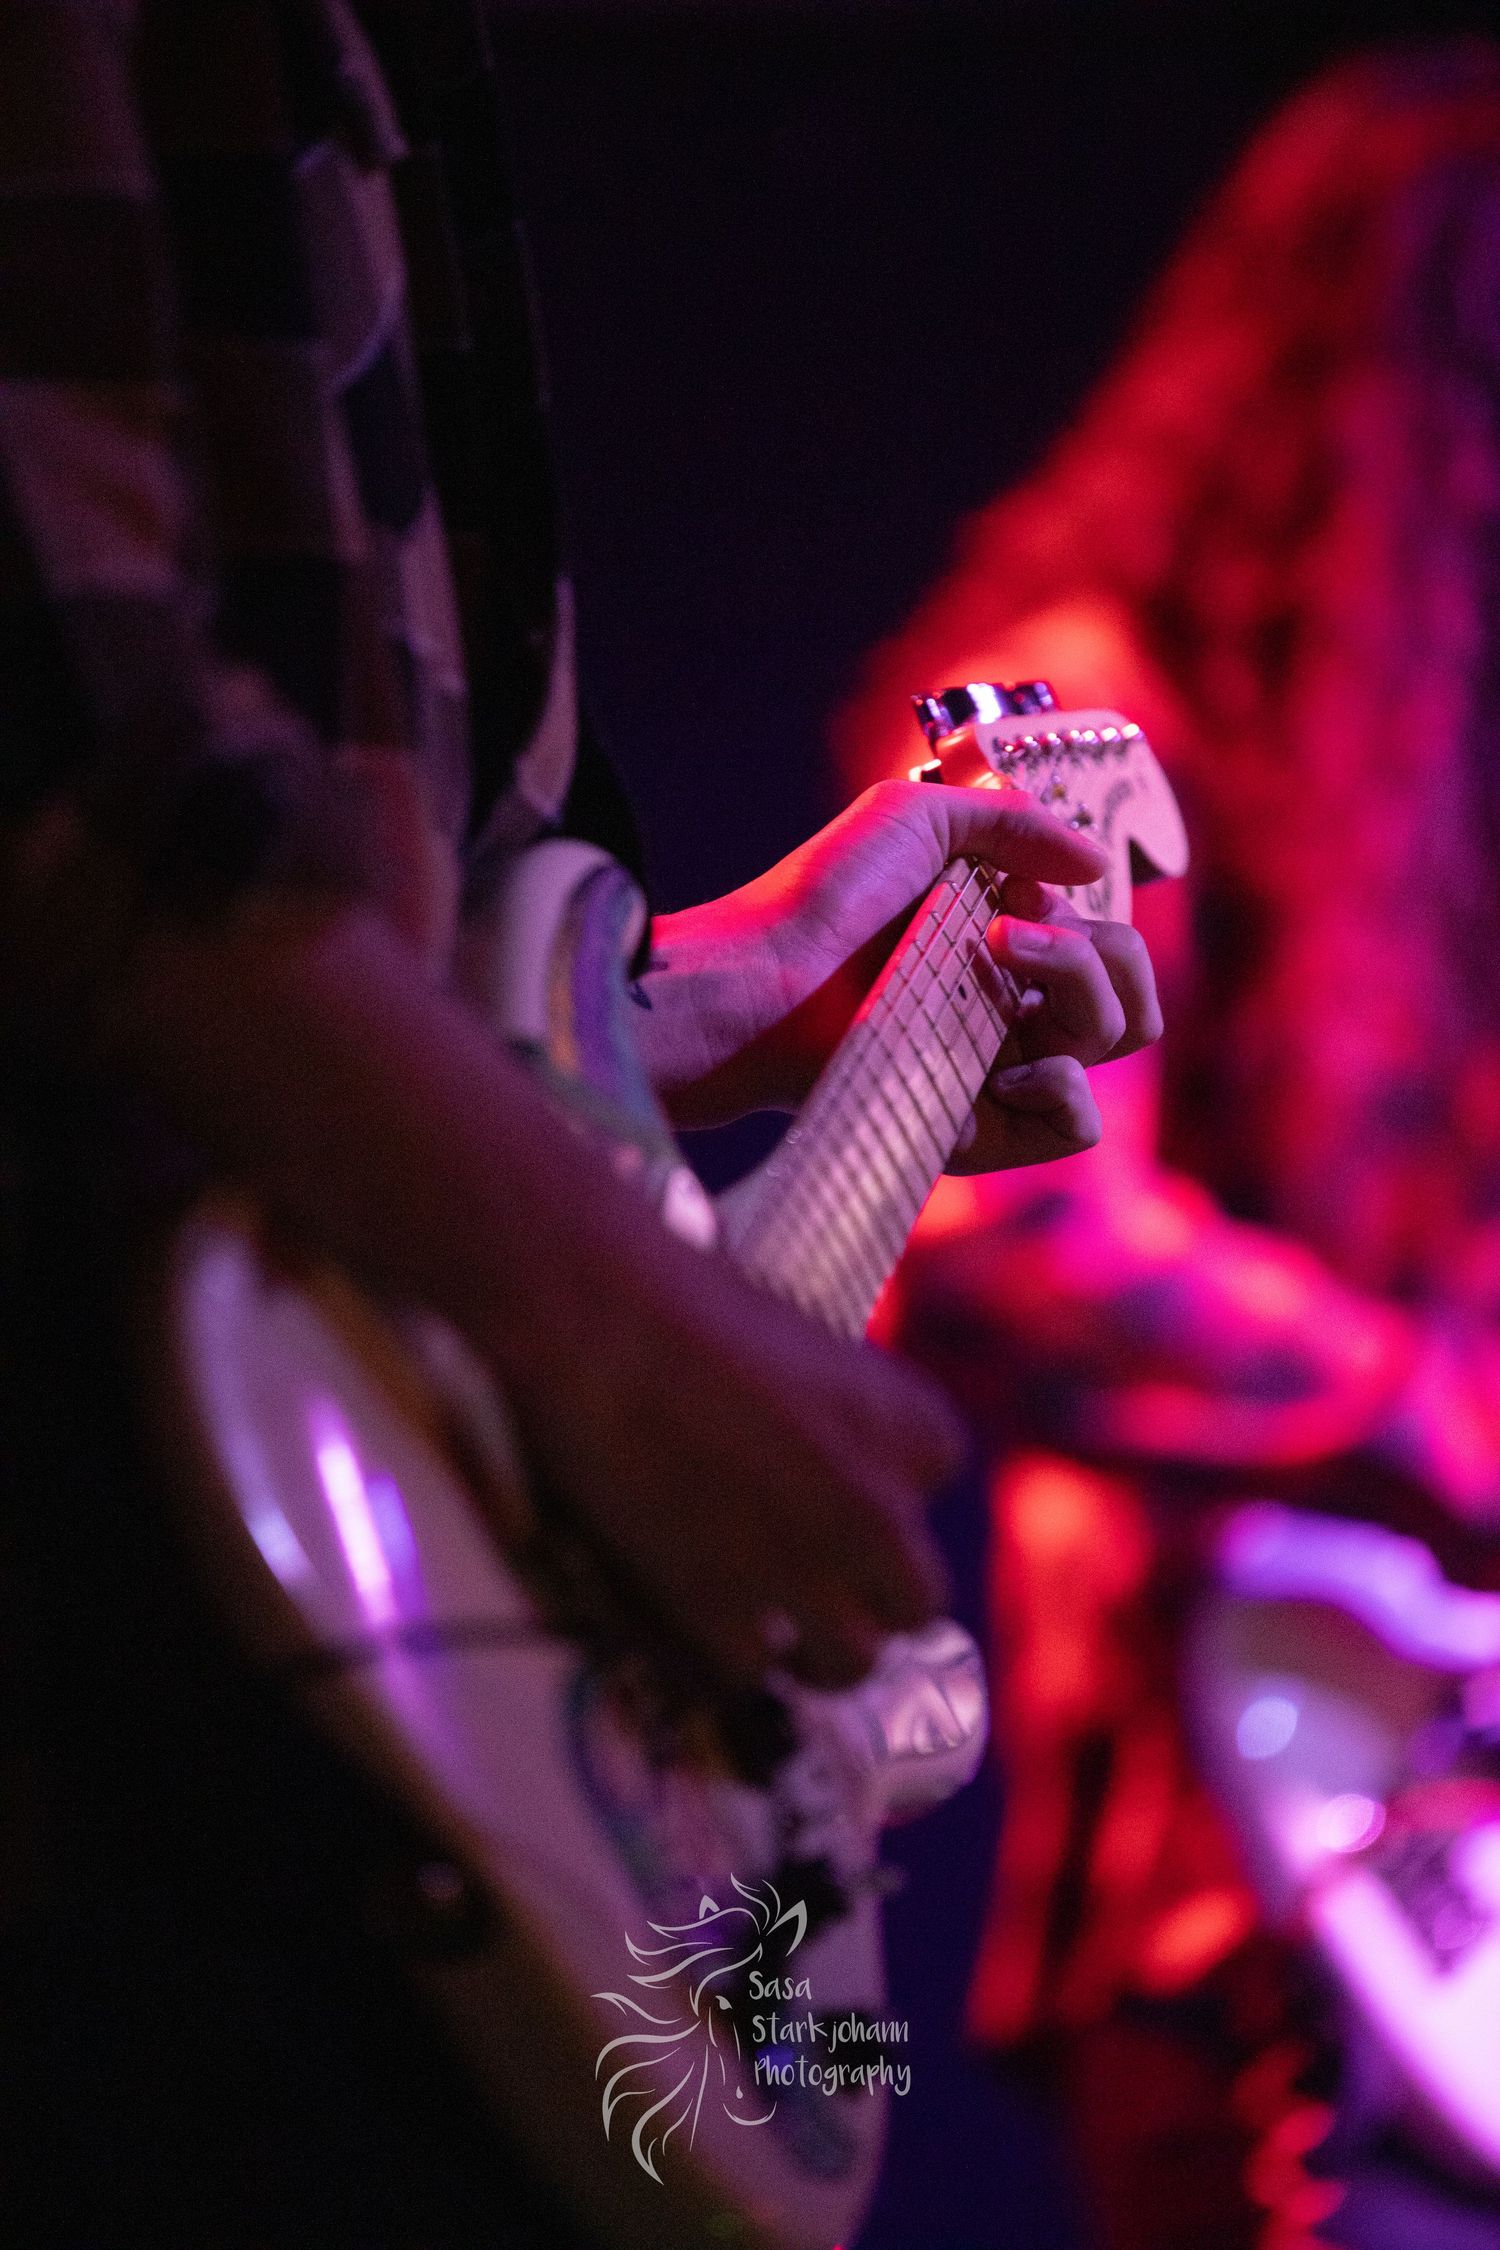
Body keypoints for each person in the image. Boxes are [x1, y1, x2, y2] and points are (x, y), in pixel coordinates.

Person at [0, 3, 1159, 2243]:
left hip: (294, 1675)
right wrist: (606, 1323)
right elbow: (60, 729)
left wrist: (702, 999)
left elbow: (347, 849)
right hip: (109, 1646)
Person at [837, 40, 1500, 2250]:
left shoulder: (1446, 832)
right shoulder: (1070, 710)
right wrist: (1432, 1419)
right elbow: (1009, 1235)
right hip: (1254, 1911)